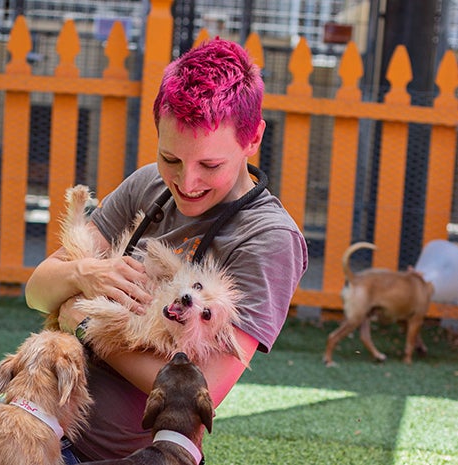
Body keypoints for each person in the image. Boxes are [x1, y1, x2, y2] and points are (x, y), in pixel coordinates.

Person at [24, 36, 308, 463]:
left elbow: (197, 393)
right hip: (34, 423)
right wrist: (84, 275)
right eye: (170, 158)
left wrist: (82, 321)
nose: (186, 182)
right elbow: (35, 292)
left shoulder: (267, 238)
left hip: (118, 455)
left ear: (253, 140)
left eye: (210, 165)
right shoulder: (147, 186)